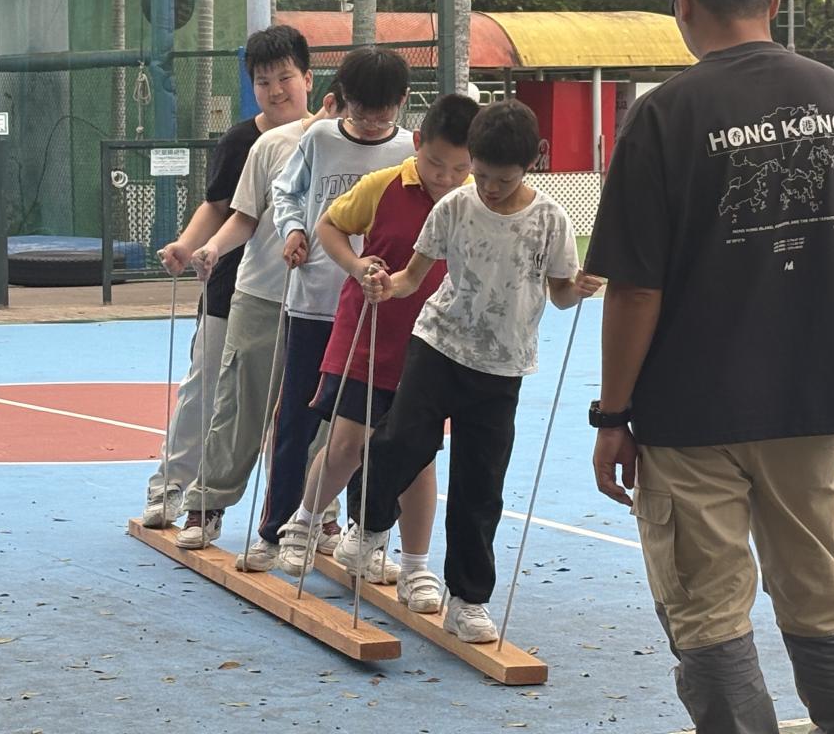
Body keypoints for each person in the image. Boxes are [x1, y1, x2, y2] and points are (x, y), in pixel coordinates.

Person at [585, 0, 834, 734]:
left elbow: (635, 291)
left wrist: (613, 414)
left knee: (709, 614)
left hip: (691, 417)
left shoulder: (664, 115)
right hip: (809, 404)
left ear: (682, 1)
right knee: (819, 592)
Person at [336, 99, 602, 642]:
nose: (489, 188)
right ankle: (367, 525)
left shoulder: (550, 220)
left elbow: (558, 295)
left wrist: (577, 289)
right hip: (438, 346)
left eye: (503, 179)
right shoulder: (455, 207)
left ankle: (468, 600)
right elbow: (413, 277)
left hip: (502, 367)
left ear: (533, 163)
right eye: (480, 175)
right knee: (402, 441)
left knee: (481, 486)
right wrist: (386, 286)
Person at [274, 94, 480, 617]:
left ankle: (416, 567)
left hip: (432, 345)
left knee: (419, 457)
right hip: (367, 333)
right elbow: (329, 225)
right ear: (417, 144)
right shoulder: (384, 184)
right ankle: (304, 521)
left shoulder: (474, 200)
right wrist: (355, 264)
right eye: (436, 163)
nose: (445, 177)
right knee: (347, 443)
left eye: (459, 168)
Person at [241, 47, 417, 573]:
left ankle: (365, 539)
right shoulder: (318, 138)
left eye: (383, 113)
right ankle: (276, 531)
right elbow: (286, 192)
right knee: (295, 421)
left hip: (377, 314)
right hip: (314, 303)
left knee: (374, 432)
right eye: (361, 112)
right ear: (340, 100)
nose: (372, 123)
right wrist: (293, 231)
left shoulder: (411, 152)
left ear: (403, 102)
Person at [141, 25, 311, 529]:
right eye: (263, 82)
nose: (276, 90)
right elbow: (218, 207)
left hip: (306, 296)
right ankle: (172, 485)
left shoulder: (328, 139)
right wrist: (187, 246)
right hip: (232, 287)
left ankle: (300, 510)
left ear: (308, 78)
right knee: (207, 390)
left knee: (298, 408)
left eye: (285, 78)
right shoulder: (242, 141)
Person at [172, 84, 345, 550]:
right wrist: (210, 248)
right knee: (238, 406)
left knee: (320, 417)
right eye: (352, 115)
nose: (362, 127)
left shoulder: (375, 150)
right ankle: (206, 505)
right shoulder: (272, 145)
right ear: (330, 103)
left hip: (327, 302)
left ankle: (319, 515)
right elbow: (243, 215)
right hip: (263, 294)